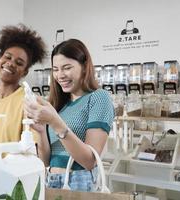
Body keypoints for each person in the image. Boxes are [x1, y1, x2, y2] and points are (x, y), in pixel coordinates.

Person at [24, 39, 115, 192]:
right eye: (55, 69)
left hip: (80, 184)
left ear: (85, 67)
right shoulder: (59, 105)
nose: (60, 75)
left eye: (67, 68)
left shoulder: (99, 98)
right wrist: (40, 131)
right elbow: (45, 161)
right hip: (50, 181)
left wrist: (55, 122)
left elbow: (89, 161)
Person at [0, 24, 46, 143]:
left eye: (19, 63)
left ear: (25, 72)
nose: (11, 63)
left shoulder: (29, 103)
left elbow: (34, 149)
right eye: (7, 57)